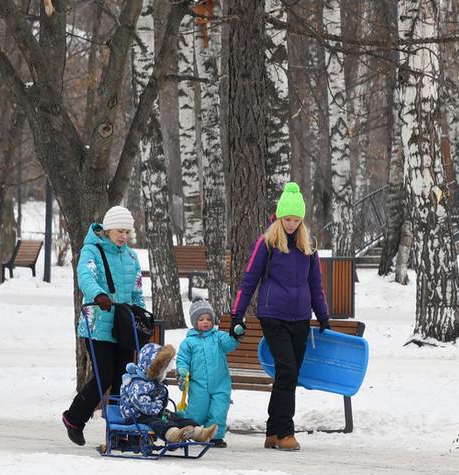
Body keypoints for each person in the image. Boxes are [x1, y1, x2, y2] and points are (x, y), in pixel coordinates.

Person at [229, 181, 330, 451]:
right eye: (287, 219)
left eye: (296, 220)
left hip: (300, 318)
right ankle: (286, 432)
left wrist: (323, 316)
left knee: (290, 374)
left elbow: (315, 284)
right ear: (280, 217)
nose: (291, 224)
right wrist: (237, 315)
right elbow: (249, 279)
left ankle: (273, 431)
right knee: (287, 370)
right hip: (272, 315)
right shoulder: (267, 243)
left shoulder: (308, 246)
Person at [61, 205, 146, 446]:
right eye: (120, 231)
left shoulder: (131, 256)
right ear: (108, 229)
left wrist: (141, 314)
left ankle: (118, 431)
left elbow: (136, 289)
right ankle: (74, 419)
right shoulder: (92, 251)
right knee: (104, 375)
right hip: (97, 323)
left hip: (122, 326)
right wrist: (98, 294)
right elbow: (85, 277)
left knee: (123, 378)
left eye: (127, 232)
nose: (124, 236)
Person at [119, 343, 218, 443]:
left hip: (155, 413)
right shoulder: (137, 383)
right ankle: (173, 434)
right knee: (157, 422)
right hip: (137, 416)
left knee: (175, 418)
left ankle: (199, 433)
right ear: (154, 369)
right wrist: (157, 405)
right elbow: (143, 404)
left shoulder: (153, 381)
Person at [175, 297, 241, 448]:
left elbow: (230, 343)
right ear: (194, 322)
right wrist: (183, 371)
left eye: (208, 319)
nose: (206, 322)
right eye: (201, 319)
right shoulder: (189, 342)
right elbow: (182, 359)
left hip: (220, 384)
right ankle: (194, 432)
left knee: (218, 410)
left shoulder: (218, 337)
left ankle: (215, 436)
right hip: (198, 385)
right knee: (197, 411)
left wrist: (235, 334)